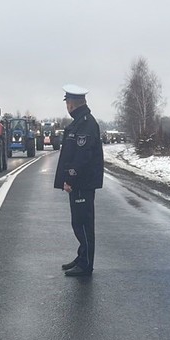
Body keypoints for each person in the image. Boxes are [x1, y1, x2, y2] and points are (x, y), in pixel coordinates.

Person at [53, 84, 103, 277]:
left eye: (69, 102)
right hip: (80, 182)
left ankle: (86, 264)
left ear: (74, 104)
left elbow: (82, 156)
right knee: (78, 222)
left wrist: (70, 178)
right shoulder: (79, 122)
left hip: (83, 182)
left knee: (83, 223)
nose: (67, 106)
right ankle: (82, 256)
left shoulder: (86, 123)